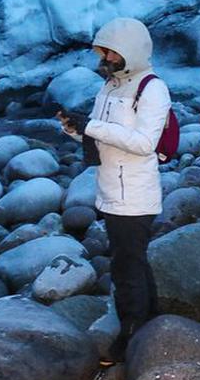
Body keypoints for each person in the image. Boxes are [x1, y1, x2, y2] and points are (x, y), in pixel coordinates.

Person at [58, 18, 170, 360]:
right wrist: (76, 129)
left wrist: (92, 126)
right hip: (111, 190)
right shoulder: (111, 86)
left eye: (110, 52)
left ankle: (131, 334)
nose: (104, 58)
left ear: (129, 51)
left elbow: (144, 143)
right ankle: (151, 321)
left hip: (134, 194)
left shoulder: (152, 89)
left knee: (125, 268)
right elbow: (103, 135)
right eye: (102, 51)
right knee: (132, 261)